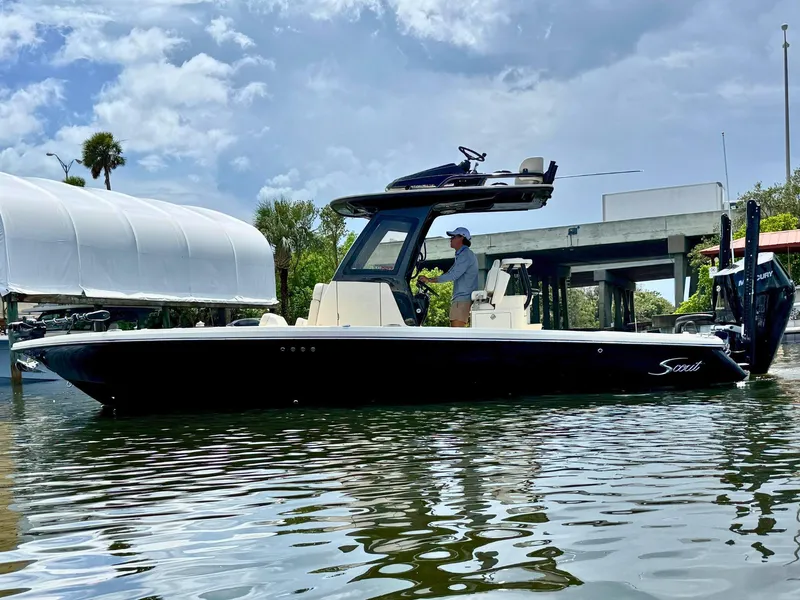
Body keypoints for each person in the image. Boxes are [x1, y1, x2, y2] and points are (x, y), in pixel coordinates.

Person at [418, 227, 479, 327]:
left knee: (457, 334)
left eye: (453, 237)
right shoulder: (463, 255)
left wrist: (429, 280)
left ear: (461, 238)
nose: (450, 239)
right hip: (462, 300)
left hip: (462, 300)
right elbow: (451, 272)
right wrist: (430, 280)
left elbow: (452, 275)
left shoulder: (465, 255)